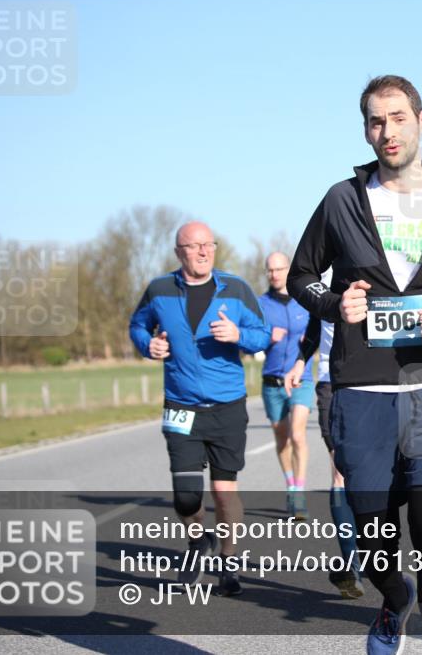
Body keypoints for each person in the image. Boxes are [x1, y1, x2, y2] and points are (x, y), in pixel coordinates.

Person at [286, 74, 422, 655]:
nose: (386, 131)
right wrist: (336, 302)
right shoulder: (341, 199)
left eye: (398, 118)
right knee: (375, 539)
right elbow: (300, 278)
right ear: (365, 128)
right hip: (361, 387)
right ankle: (394, 597)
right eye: (375, 121)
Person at [129, 221, 272, 596]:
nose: (204, 251)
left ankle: (228, 559)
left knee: (224, 491)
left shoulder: (236, 289)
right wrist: (149, 346)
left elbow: (263, 334)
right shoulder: (159, 289)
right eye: (195, 246)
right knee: (186, 496)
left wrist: (239, 336)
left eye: (209, 244)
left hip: (227, 406)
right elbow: (138, 326)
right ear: (179, 252)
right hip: (180, 405)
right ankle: (197, 540)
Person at [284, 271, 366, 599]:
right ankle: (351, 564)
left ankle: (371, 545)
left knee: (371, 477)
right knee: (339, 474)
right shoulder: (321, 280)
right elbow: (313, 332)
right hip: (331, 385)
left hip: (373, 385)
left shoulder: (377, 273)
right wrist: (298, 363)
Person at [258, 251, 314, 519]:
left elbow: (321, 328)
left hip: (301, 378)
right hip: (271, 381)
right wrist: (267, 336)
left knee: (297, 435)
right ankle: (290, 484)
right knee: (281, 439)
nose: (274, 274)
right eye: (270, 270)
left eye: (279, 269)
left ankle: (299, 493)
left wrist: (310, 336)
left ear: (288, 270)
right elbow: (249, 340)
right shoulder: (260, 305)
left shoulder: (304, 301)